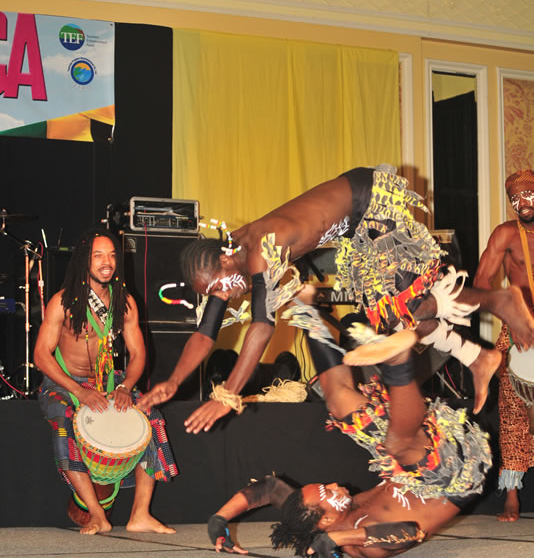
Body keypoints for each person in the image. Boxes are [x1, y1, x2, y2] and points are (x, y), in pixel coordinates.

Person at [139, 166, 534, 427]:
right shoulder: (230, 266)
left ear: (225, 259)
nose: (223, 296)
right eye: (213, 294)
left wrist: (228, 396)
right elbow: (205, 332)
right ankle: (479, 357)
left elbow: (261, 327)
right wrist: (173, 381)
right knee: (394, 320)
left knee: (414, 303)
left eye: (218, 286)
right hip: (353, 229)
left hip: (368, 199)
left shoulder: (260, 249)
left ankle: (502, 302)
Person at [206, 297, 491, 558]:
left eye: (324, 485)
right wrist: (338, 539)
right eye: (326, 491)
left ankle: (309, 310)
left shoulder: (308, 508)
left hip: (416, 450)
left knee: (341, 406)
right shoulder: (364, 545)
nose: (331, 484)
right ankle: (397, 361)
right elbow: (410, 531)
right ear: (327, 522)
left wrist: (219, 519)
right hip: (452, 476)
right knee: (396, 447)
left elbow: (268, 488)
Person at [34, 227, 178, 535]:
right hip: (63, 383)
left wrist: (125, 387)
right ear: (84, 261)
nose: (106, 262)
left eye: (112, 255)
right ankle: (97, 514)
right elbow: (41, 357)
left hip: (107, 381)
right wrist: (78, 392)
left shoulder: (124, 303)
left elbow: (138, 354)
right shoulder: (62, 302)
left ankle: (140, 513)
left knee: (150, 413)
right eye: (98, 255)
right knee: (65, 418)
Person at [474, 168, 534, 522]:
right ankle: (511, 494)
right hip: (518, 333)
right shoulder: (507, 234)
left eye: (527, 194)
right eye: (514, 197)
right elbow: (483, 281)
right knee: (513, 415)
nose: (520, 203)